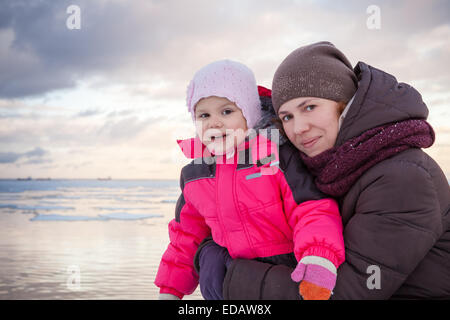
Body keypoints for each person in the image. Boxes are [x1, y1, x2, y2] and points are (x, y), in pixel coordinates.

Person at [196, 42, 450, 299]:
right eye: (287, 117)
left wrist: (229, 274)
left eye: (309, 107)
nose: (298, 128)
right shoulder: (330, 166)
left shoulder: (403, 178)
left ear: (343, 104)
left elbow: (339, 293)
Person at [154, 59, 346, 300]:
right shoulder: (196, 174)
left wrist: (318, 257)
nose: (214, 122)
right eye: (204, 115)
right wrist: (170, 290)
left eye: (227, 111)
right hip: (234, 277)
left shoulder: (275, 157)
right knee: (210, 257)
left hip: (286, 269)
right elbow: (186, 237)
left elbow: (311, 208)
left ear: (249, 114)